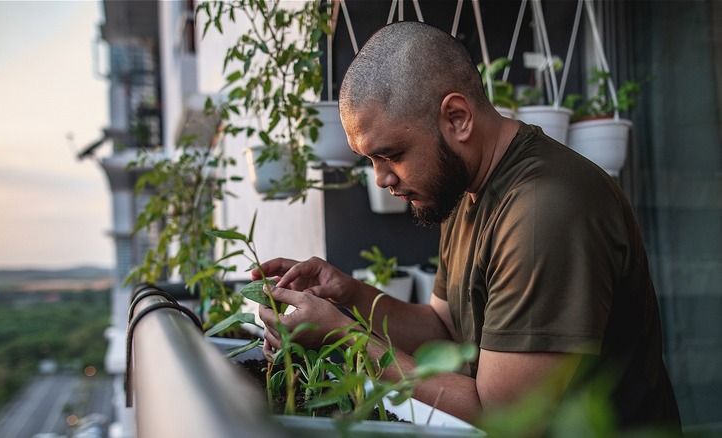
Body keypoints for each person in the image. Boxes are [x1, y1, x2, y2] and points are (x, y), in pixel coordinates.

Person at [252, 21, 681, 433]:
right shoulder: (461, 189)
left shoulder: (545, 211)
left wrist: (347, 338)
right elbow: (444, 330)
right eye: (370, 160)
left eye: (392, 154)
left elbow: (504, 418)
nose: (381, 178)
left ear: (457, 117)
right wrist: (351, 296)